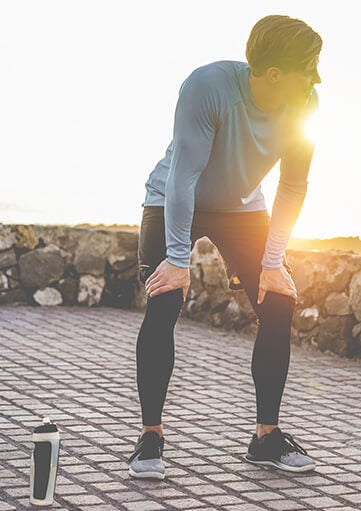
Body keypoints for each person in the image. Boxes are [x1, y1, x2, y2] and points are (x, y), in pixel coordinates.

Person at [128, 15, 322, 480]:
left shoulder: (305, 102)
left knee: (278, 301)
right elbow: (184, 177)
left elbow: (293, 186)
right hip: (175, 197)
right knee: (164, 296)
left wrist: (272, 262)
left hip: (241, 206)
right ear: (274, 74)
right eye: (310, 66)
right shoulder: (207, 86)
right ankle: (151, 436)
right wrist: (177, 260)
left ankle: (265, 438)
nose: (317, 77)